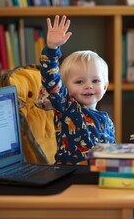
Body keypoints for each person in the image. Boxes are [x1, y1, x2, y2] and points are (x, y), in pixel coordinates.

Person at [39, 15, 115, 166]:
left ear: (105, 87)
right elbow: (51, 78)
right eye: (79, 82)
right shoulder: (66, 107)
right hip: (68, 175)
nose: (88, 86)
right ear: (65, 87)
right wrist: (52, 48)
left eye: (95, 81)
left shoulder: (107, 121)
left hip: (96, 176)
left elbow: (112, 153)